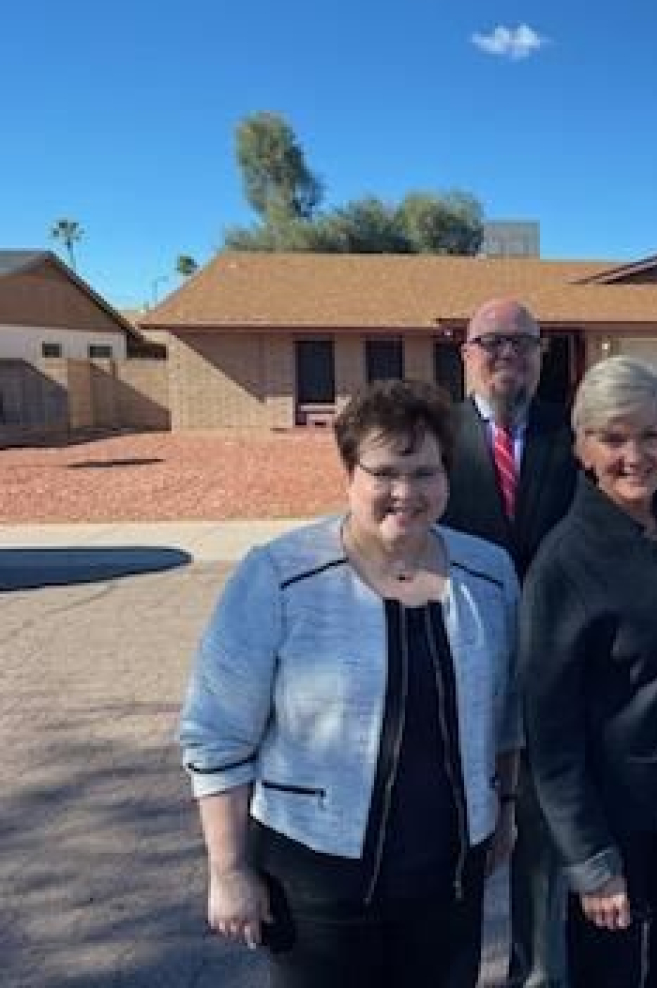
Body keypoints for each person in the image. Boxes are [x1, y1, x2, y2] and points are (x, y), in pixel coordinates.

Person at [178, 379, 520, 987]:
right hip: (315, 877)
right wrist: (228, 871)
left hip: (448, 877)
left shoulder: (488, 574)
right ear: (349, 473)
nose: (406, 493)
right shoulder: (280, 575)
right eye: (385, 472)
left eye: (425, 472)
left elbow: (507, 714)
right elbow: (218, 733)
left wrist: (505, 809)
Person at [521, 356, 657, 988]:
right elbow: (550, 733)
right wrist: (590, 861)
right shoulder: (564, 563)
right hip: (620, 825)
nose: (633, 455)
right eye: (612, 438)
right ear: (582, 447)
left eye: (649, 435)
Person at [439, 297, 577, 988]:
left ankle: (536, 973)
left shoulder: (575, 435)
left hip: (554, 670)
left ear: (540, 353)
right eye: (489, 341)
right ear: (466, 352)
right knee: (461, 837)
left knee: (545, 845)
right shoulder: (435, 436)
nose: (506, 354)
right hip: (461, 667)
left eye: (522, 341)